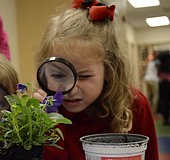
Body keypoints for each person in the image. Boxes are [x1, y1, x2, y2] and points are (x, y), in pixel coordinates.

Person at [33, 0, 159, 159]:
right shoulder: (44, 111)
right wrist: (48, 124)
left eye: (84, 76)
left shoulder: (134, 104)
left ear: (109, 70)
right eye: (58, 75)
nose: (71, 89)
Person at [156, 50, 170, 125]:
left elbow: (158, 74)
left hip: (163, 83)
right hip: (167, 83)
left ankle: (165, 119)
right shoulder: (167, 63)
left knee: (165, 101)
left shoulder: (160, 65)